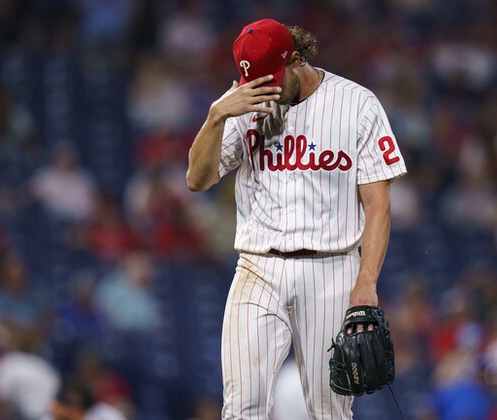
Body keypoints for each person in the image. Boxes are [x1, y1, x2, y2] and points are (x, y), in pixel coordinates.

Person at [186, 18, 407, 419]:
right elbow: (197, 180)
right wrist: (217, 116)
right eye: (257, 81)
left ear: (297, 57)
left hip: (332, 268)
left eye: (274, 77)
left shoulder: (356, 104)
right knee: (240, 408)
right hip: (258, 265)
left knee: (329, 410)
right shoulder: (241, 101)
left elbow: (378, 204)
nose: (266, 89)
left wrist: (367, 282)